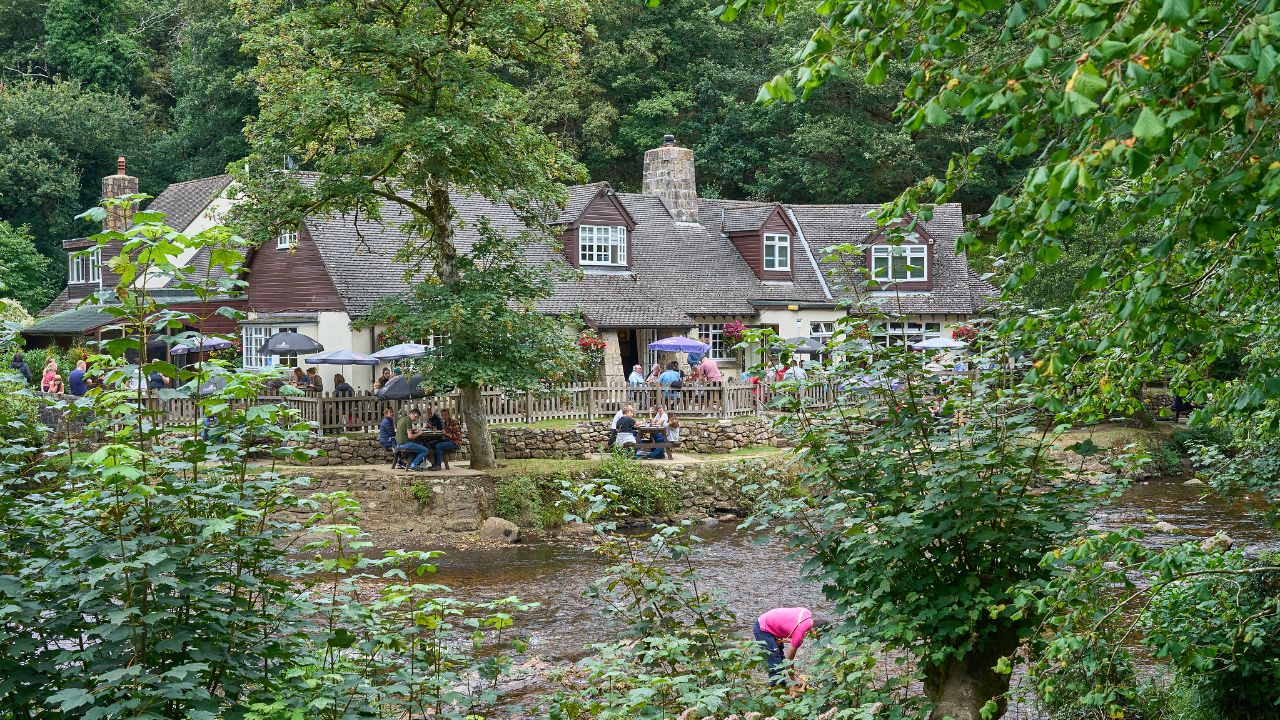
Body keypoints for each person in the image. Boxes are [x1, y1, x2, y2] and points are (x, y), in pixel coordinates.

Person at [754, 607, 816, 686]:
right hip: (762, 627)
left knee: (780, 657)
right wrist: (793, 679)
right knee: (775, 661)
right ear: (815, 631)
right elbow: (789, 660)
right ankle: (777, 688)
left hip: (771, 623)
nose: (818, 639)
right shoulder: (799, 633)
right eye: (819, 636)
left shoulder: (807, 613)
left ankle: (781, 683)